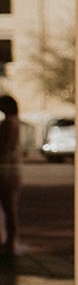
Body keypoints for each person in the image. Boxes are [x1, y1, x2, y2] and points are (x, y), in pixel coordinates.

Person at [0, 94, 22, 259]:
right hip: (12, 171)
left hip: (6, 171)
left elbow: (5, 149)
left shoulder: (8, 124)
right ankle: (10, 240)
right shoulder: (15, 124)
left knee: (9, 208)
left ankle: (10, 241)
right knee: (10, 208)